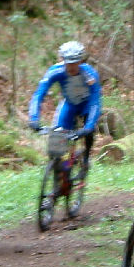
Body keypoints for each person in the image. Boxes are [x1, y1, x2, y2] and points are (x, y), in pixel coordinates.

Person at [28, 41, 101, 172]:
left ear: (81, 61)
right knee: (57, 138)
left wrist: (88, 126)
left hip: (87, 105)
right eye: (68, 63)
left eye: (75, 62)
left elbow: (95, 100)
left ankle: (85, 159)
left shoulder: (90, 74)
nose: (72, 67)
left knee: (89, 131)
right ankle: (58, 173)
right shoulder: (55, 71)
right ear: (63, 60)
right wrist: (34, 118)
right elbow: (39, 94)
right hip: (70, 104)